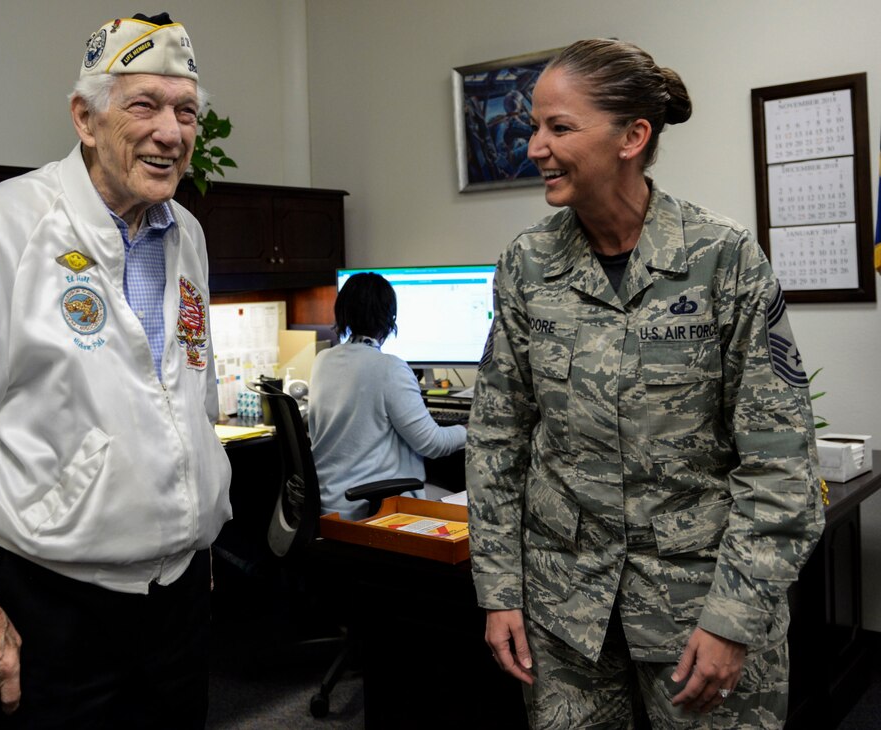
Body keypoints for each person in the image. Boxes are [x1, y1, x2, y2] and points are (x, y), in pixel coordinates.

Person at [0, 13, 231, 728]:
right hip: (53, 609)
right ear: (85, 119)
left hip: (178, 603)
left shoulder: (187, 234)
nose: (170, 132)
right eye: (143, 105)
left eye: (185, 111)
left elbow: (186, 390)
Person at [466, 38, 825, 729]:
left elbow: (780, 461)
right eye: (534, 126)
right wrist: (500, 591)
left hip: (698, 612)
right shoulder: (527, 264)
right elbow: (496, 437)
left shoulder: (722, 259)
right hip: (564, 614)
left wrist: (733, 617)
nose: (535, 146)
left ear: (633, 136)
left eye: (558, 128)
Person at [308, 272, 467, 520]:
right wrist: (472, 428)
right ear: (389, 317)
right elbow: (433, 444)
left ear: (342, 312)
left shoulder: (322, 360)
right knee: (468, 503)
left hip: (329, 506)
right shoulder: (389, 368)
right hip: (373, 507)